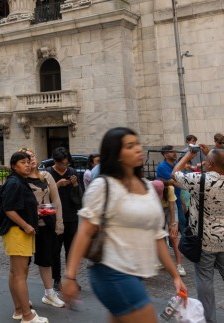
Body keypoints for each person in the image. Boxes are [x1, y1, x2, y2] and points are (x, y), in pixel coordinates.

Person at [63, 127, 186, 323]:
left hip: (135, 273)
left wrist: (175, 276)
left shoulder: (146, 185)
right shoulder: (103, 186)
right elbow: (85, 233)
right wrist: (70, 277)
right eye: (130, 146)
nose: (138, 149)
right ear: (116, 154)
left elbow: (157, 236)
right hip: (111, 271)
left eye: (138, 143)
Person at [173, 146, 224, 323]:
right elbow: (222, 163)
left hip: (204, 240)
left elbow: (175, 174)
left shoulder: (199, 180)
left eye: (207, 161)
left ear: (210, 164)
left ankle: (209, 320)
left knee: (205, 280)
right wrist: (210, 154)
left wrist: (188, 155)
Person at [0, 151, 45, 323]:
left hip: (18, 232)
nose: (27, 165)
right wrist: (26, 225)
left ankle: (19, 310)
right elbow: (8, 209)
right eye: (22, 162)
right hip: (18, 232)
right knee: (20, 275)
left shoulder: (19, 181)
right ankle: (27, 316)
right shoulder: (15, 183)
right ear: (13, 166)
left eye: (28, 162)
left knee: (15, 273)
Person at [20, 147, 64, 308]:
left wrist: (59, 222)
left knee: (46, 260)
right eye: (25, 158)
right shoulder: (20, 179)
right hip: (26, 227)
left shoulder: (46, 176)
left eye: (31, 156)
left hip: (46, 224)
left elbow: (56, 199)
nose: (30, 159)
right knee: (23, 262)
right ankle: (23, 295)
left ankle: (49, 293)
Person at [46, 147, 79, 292]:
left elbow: (79, 198)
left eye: (67, 163)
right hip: (54, 218)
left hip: (71, 217)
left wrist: (75, 185)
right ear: (55, 161)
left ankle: (71, 279)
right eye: (62, 164)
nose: (65, 166)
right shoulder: (47, 173)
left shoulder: (72, 172)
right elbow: (43, 196)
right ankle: (56, 279)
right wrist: (56, 186)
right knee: (55, 250)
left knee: (71, 250)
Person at [155, 145, 186, 276]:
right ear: (164, 154)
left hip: (175, 200)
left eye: (174, 151)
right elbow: (174, 181)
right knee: (162, 234)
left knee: (177, 231)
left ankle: (180, 261)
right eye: (171, 152)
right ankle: (163, 259)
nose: (174, 153)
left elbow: (182, 179)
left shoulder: (177, 165)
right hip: (163, 205)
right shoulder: (162, 167)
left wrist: (183, 202)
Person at [151, 180, 184, 272]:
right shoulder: (148, 189)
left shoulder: (170, 188)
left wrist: (173, 224)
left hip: (170, 209)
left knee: (174, 236)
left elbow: (172, 208)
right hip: (157, 210)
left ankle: (179, 265)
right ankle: (163, 261)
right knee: (159, 235)